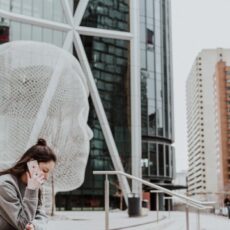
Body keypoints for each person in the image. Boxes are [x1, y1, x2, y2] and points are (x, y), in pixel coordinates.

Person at [0, 138, 57, 230]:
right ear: (31, 164)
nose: (46, 177)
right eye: (44, 170)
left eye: (49, 172)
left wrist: (34, 226)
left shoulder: (36, 186)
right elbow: (23, 224)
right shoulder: (4, 184)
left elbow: (42, 216)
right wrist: (31, 190)